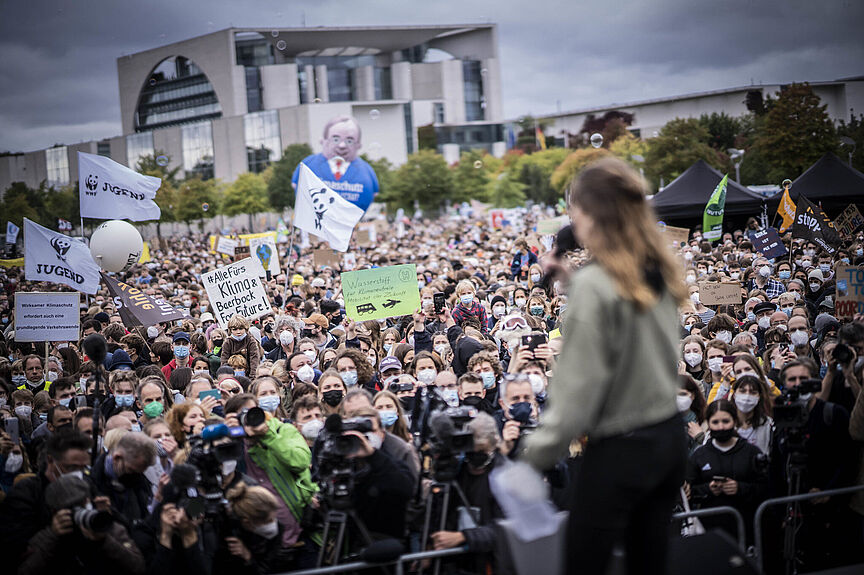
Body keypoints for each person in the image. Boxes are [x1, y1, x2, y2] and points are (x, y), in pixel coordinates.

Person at [523, 158, 688, 575]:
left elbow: (576, 393)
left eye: (575, 211)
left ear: (592, 214)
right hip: (669, 438)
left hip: (622, 449)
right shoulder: (655, 268)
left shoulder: (596, 286)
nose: (572, 221)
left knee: (584, 562)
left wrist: (531, 458)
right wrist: (573, 281)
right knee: (648, 562)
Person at [19, 474, 145, 575]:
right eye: (71, 508)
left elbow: (138, 567)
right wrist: (52, 535)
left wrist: (104, 540)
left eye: (82, 505)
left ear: (88, 501)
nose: (79, 512)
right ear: (54, 511)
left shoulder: (105, 526)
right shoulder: (46, 533)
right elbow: (24, 570)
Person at [686, 399, 768, 542]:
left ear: (734, 421)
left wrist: (740, 488)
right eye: (715, 422)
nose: (721, 427)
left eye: (726, 421)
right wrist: (708, 489)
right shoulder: (700, 455)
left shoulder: (751, 452)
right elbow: (689, 490)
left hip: (745, 527)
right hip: (709, 529)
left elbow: (765, 487)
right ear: (708, 423)